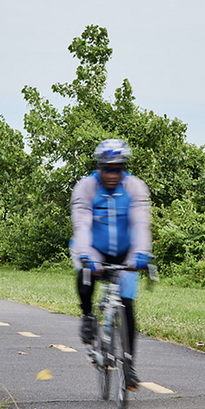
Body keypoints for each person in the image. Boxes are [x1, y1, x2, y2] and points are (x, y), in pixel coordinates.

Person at [71, 139, 152, 391]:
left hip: (125, 252)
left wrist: (141, 255)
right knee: (85, 271)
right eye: (107, 168)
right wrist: (86, 256)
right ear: (99, 167)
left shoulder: (135, 187)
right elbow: (82, 223)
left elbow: (140, 223)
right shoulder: (86, 187)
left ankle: (128, 365)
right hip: (93, 247)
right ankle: (87, 316)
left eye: (117, 168)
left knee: (127, 306)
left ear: (124, 167)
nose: (112, 174)